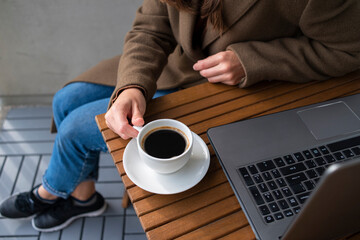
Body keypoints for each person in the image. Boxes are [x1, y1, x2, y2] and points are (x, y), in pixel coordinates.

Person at [1, 0, 359, 232]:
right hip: (176, 67)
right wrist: (132, 86)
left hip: (234, 91)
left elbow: (350, 49)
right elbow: (150, 28)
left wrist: (254, 60)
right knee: (67, 99)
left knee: (75, 131)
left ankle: (52, 192)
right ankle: (83, 199)